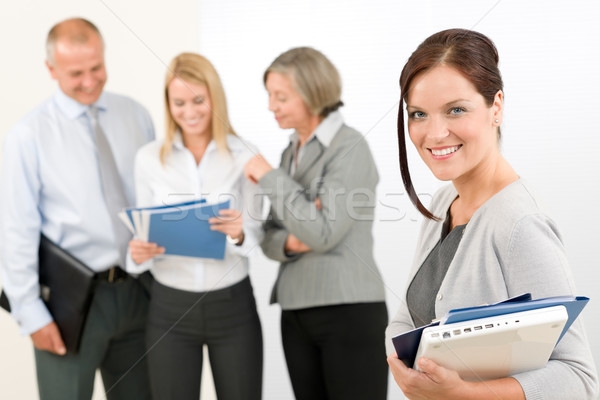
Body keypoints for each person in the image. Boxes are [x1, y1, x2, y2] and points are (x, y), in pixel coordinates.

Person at [385, 28, 599, 399]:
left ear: (496, 107)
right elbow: (407, 319)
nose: (434, 134)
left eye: (456, 109)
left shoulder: (520, 225)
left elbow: (579, 380)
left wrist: (463, 394)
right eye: (419, 114)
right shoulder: (442, 201)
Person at [0, 18, 155, 399]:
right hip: (71, 302)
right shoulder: (28, 135)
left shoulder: (135, 115)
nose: (89, 81)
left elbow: (155, 197)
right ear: (50, 70)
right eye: (76, 73)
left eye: (96, 68)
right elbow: (15, 228)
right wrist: (30, 313)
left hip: (140, 290)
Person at [244, 46, 388, 400]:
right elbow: (268, 234)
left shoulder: (349, 146)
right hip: (295, 311)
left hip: (347, 310)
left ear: (312, 93)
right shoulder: (289, 152)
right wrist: (294, 238)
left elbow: (323, 232)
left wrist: (269, 177)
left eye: (281, 97)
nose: (270, 106)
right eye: (269, 96)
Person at [127, 52, 264, 400]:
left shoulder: (245, 154)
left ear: (214, 98)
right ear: (168, 104)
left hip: (232, 306)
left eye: (199, 100)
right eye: (179, 102)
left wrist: (239, 231)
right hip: (168, 307)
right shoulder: (148, 159)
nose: (189, 112)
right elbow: (140, 231)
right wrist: (137, 251)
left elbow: (259, 232)